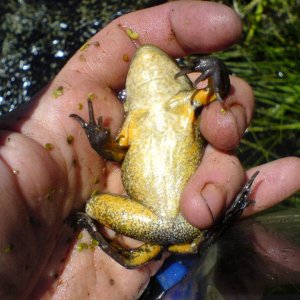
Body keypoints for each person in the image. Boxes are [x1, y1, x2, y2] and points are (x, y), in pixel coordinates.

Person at [0, 1, 299, 299]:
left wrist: (217, 69)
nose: (146, 63)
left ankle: (138, 253)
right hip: (176, 222)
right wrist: (98, 141)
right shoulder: (147, 115)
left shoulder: (184, 104)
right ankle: (140, 254)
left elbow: (217, 93)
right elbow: (115, 152)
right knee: (102, 210)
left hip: (172, 222)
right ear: (127, 97)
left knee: (96, 208)